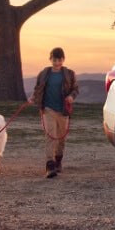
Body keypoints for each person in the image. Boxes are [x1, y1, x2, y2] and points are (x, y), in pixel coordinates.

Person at [31, 47, 79, 178]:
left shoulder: (69, 74)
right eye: (54, 60)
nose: (56, 62)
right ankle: (50, 166)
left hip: (63, 110)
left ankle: (58, 162)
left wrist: (71, 97)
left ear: (63, 60)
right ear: (50, 59)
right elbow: (38, 88)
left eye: (59, 60)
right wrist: (34, 97)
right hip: (48, 109)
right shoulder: (44, 73)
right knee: (51, 136)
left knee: (61, 138)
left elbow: (75, 89)